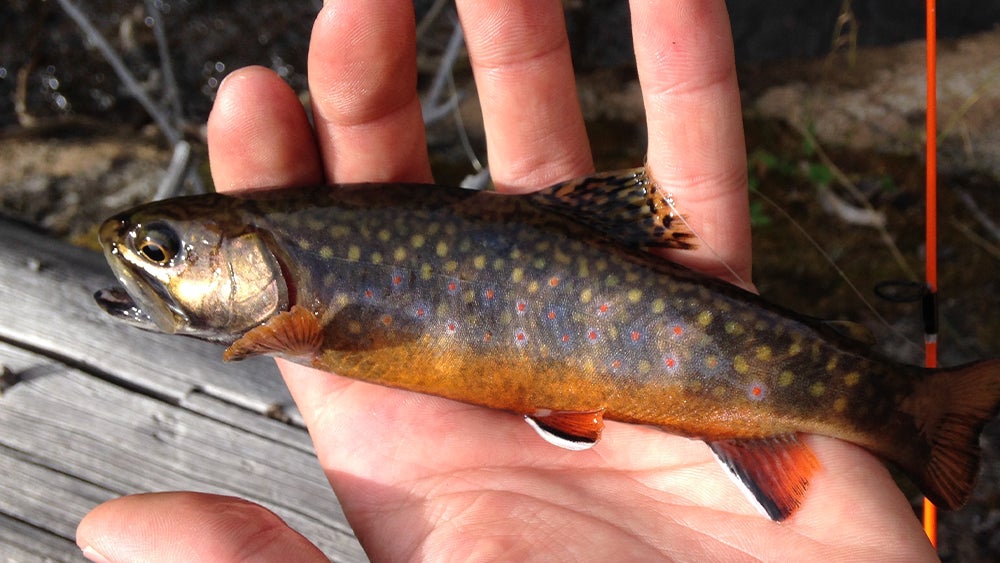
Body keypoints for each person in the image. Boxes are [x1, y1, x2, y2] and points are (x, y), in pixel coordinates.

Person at [76, 1, 938, 560]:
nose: (145, 258)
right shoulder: (298, 297)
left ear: (257, 251)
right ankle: (900, 409)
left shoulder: (305, 316)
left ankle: (908, 411)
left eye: (162, 249)